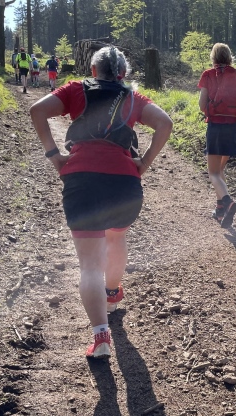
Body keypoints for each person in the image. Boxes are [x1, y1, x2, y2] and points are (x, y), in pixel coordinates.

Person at [30, 46, 172, 359]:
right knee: (117, 238)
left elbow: (37, 110)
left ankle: (101, 337)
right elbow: (165, 123)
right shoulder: (133, 97)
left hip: (82, 182)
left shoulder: (75, 89)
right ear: (123, 74)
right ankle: (113, 293)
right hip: (124, 184)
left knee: (90, 266)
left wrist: (55, 156)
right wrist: (144, 163)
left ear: (93, 71)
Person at [197, 43, 236, 228]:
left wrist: (211, 111)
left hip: (216, 127)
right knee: (220, 170)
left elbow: (201, 104)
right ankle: (220, 211)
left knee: (213, 173)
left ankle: (228, 202)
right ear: (229, 57)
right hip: (233, 128)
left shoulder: (208, 75)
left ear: (213, 57)